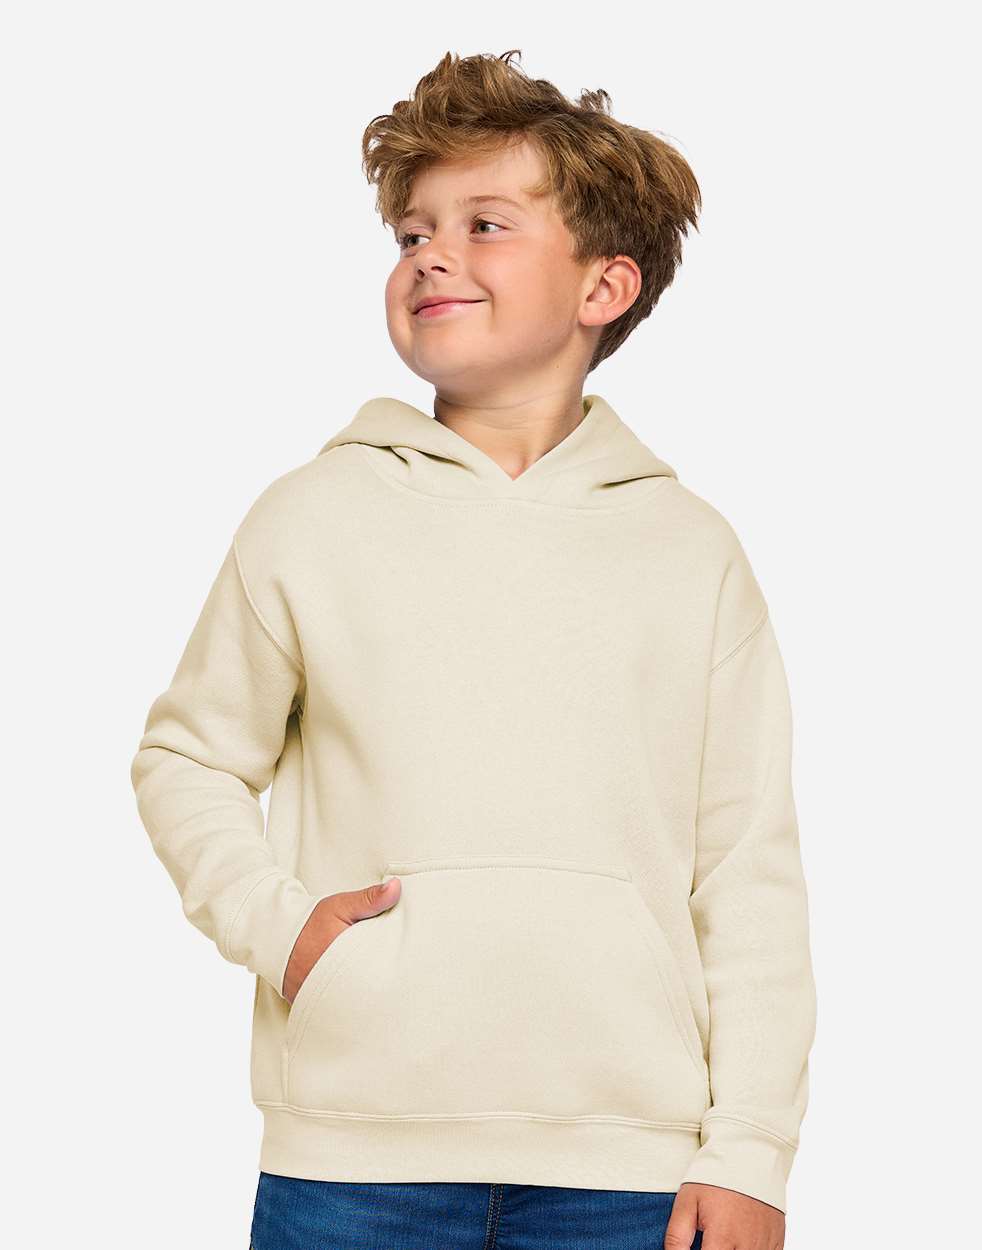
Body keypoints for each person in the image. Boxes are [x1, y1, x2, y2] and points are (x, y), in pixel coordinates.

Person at [130, 48, 817, 1250]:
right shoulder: (312, 517)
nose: (431, 255)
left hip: (630, 1169)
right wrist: (283, 929)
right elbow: (185, 757)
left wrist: (752, 1148)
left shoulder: (689, 550)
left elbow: (745, 867)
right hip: (353, 1159)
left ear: (605, 284)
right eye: (412, 233)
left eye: (483, 224)